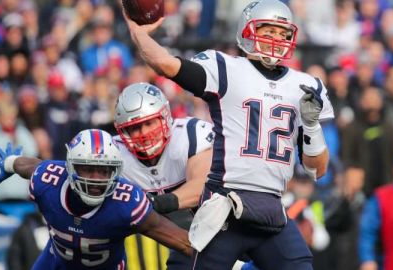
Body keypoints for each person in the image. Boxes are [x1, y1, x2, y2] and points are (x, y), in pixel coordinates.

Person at [123, 0, 334, 269]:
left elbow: (319, 169)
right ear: (247, 31)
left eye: (283, 34)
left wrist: (312, 125)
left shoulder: (305, 85)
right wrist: (139, 34)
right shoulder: (226, 68)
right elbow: (166, 64)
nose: (276, 40)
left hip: (271, 211)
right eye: (268, 31)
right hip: (225, 206)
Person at [0, 129, 193, 270]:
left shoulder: (127, 203)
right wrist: (10, 162)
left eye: (104, 170)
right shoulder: (47, 182)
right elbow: (29, 166)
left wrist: (220, 256)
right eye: (87, 168)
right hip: (55, 263)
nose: (95, 179)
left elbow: (184, 243)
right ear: (70, 167)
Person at [114, 82, 213, 270]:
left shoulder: (189, 135)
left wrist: (152, 204)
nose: (143, 134)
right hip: (177, 243)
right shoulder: (116, 153)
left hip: (220, 232)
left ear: (165, 116)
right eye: (134, 128)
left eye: (148, 123)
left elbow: (200, 187)